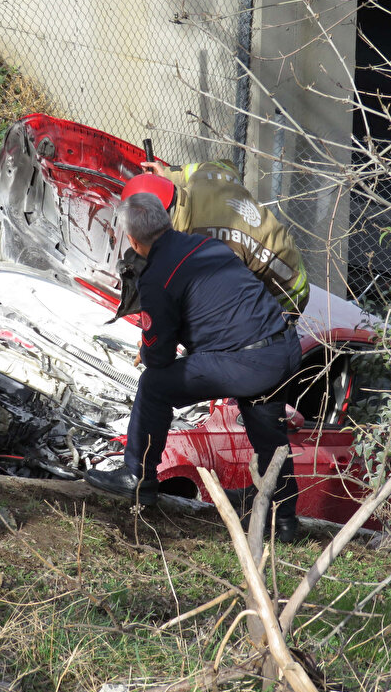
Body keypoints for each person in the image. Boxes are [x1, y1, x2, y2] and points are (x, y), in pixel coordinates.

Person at [84, 192, 304, 542]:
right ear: (166, 221)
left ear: (132, 239)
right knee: (270, 441)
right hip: (283, 349)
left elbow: (159, 359)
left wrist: (150, 345)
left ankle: (138, 478)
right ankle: (286, 523)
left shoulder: (157, 278)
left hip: (246, 362)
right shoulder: (206, 246)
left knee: (154, 386)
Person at [120, 158, 310, 315]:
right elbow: (227, 165)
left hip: (286, 293)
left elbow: (221, 307)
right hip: (282, 246)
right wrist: (166, 176)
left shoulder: (209, 244)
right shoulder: (203, 177)